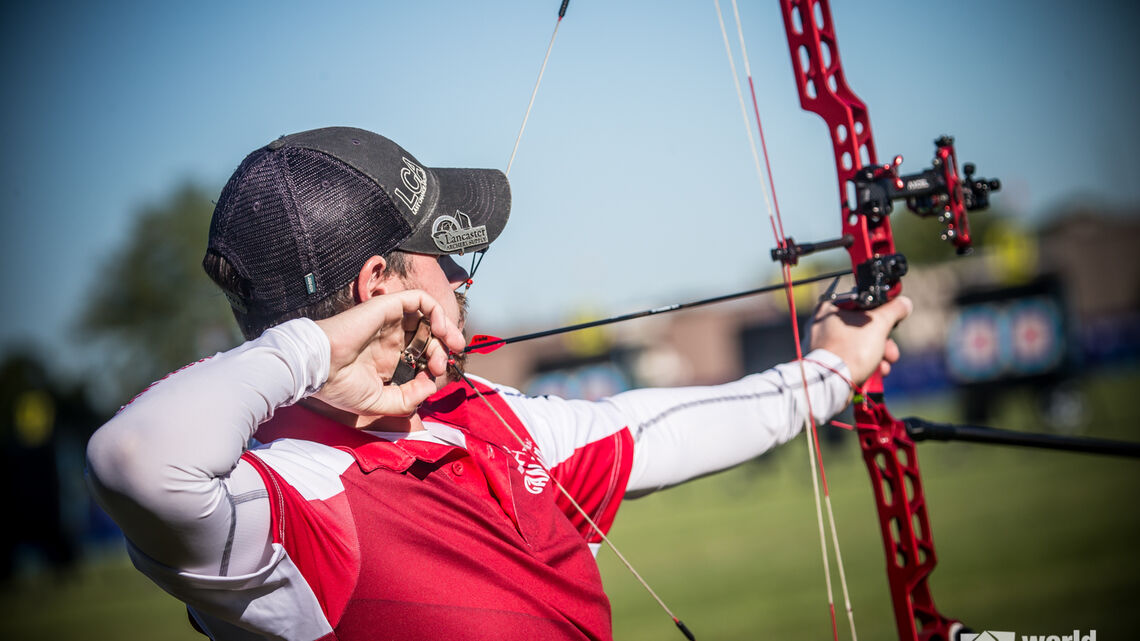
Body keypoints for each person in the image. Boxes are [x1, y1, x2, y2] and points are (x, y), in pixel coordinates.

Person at [86, 127, 911, 641]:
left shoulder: (471, 416)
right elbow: (132, 458)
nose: (460, 277)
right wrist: (324, 348)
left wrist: (834, 366)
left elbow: (659, 429)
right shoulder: (279, 509)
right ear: (383, 285)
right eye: (441, 260)